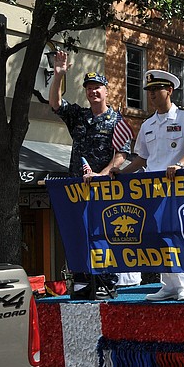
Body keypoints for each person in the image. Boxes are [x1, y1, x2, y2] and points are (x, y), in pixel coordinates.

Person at [112, 70, 184, 301]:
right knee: (159, 235)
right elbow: (142, 158)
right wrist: (122, 173)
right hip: (153, 187)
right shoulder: (147, 124)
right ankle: (169, 285)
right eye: (149, 91)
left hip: (179, 185)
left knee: (177, 233)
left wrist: (180, 164)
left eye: (156, 90)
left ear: (169, 91)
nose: (152, 95)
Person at [49, 50, 130, 300]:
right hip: (78, 186)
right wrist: (59, 75)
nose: (93, 92)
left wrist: (101, 174)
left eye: (98, 88)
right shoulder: (80, 116)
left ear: (106, 91)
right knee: (78, 233)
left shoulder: (117, 120)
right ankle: (83, 281)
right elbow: (55, 103)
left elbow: (122, 155)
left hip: (104, 188)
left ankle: (106, 281)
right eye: (89, 88)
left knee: (104, 233)